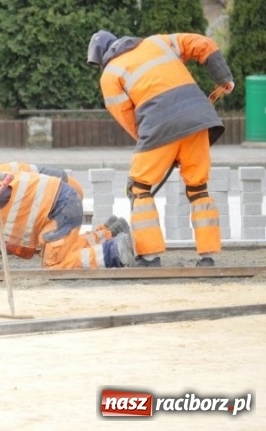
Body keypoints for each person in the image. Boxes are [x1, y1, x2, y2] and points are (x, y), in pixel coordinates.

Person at [87, 30, 234, 267]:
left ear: (102, 56)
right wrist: (223, 77)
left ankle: (150, 256)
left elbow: (130, 121)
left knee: (139, 188)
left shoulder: (110, 75)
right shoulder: (157, 42)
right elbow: (203, 43)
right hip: (199, 120)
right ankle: (208, 257)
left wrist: (158, 145)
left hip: (157, 127)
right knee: (198, 188)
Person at [0, 164, 135, 270]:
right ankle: (108, 234)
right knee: (59, 248)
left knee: (54, 264)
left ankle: (114, 252)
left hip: (59, 202)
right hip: (59, 201)